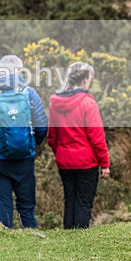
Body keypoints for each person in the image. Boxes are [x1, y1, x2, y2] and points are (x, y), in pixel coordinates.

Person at [0, 55, 48, 229]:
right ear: (20, 71)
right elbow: (42, 125)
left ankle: (5, 246)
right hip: (25, 156)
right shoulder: (29, 92)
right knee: (27, 207)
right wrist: (32, 143)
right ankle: (32, 243)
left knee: (4, 208)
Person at [47, 62, 110, 229]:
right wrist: (105, 164)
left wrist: (59, 153)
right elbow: (97, 137)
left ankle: (69, 236)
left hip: (64, 160)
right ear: (85, 80)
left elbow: (52, 136)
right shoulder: (88, 103)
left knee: (70, 200)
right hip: (86, 161)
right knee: (83, 201)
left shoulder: (55, 104)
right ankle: (80, 238)